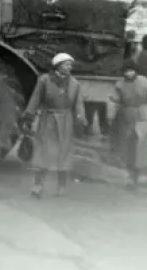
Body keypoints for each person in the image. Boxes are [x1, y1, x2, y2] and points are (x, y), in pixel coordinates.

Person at [23, 53, 87, 198]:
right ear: (58, 66)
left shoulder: (75, 84)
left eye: (70, 65)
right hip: (48, 120)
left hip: (66, 122)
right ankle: (38, 185)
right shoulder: (45, 80)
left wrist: (80, 119)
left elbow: (79, 104)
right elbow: (36, 98)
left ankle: (62, 186)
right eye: (66, 64)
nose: (69, 67)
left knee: (64, 153)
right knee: (44, 151)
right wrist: (29, 115)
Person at [111, 59, 147, 190]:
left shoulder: (145, 82)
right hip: (127, 117)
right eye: (126, 71)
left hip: (143, 116)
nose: (129, 73)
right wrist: (110, 115)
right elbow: (113, 101)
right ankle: (130, 175)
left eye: (131, 70)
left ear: (136, 70)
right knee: (128, 146)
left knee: (139, 147)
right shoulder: (119, 84)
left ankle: (136, 175)